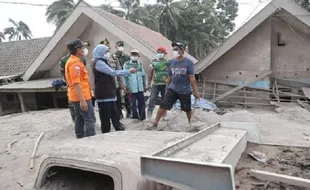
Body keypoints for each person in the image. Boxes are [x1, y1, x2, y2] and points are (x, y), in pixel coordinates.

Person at [147, 42, 200, 130]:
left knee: (187, 108)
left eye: (176, 49)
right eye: (174, 49)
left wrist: (195, 91)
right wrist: (167, 87)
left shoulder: (189, 63)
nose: (174, 51)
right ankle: (155, 122)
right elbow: (170, 76)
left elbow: (192, 78)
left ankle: (191, 124)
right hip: (173, 89)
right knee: (163, 105)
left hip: (185, 90)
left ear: (182, 51)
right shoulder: (172, 62)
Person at [92, 44, 137, 133]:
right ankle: (106, 134)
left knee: (114, 114)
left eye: (108, 51)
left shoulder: (104, 61)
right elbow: (113, 72)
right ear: (100, 52)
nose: (108, 54)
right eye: (106, 52)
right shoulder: (98, 63)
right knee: (105, 118)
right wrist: (128, 71)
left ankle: (118, 130)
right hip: (103, 94)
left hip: (110, 93)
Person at [65, 39, 96, 138]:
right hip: (81, 96)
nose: (84, 49)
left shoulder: (76, 61)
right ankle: (91, 140)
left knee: (80, 118)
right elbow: (76, 83)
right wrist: (83, 101)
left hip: (80, 95)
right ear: (78, 50)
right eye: (82, 47)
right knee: (90, 119)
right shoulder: (74, 64)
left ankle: (80, 137)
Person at [60, 52, 88, 123]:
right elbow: (63, 73)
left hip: (81, 83)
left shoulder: (82, 58)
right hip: (71, 83)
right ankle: (74, 119)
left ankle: (80, 120)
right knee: (73, 102)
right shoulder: (64, 60)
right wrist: (69, 82)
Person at [147, 46, 170, 121]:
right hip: (156, 84)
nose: (160, 54)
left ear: (164, 54)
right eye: (158, 52)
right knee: (152, 98)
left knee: (165, 100)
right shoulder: (153, 62)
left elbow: (171, 73)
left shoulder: (168, 62)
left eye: (161, 53)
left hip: (165, 84)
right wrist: (149, 83)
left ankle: (164, 114)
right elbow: (150, 73)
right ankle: (149, 114)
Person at [123, 49, 147, 121]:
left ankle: (142, 117)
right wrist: (126, 87)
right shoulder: (127, 64)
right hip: (132, 88)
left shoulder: (140, 65)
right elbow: (125, 77)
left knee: (142, 103)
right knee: (133, 103)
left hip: (140, 87)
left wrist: (144, 85)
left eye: (135, 55)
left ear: (138, 56)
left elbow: (143, 75)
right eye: (133, 55)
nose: (134, 56)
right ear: (130, 55)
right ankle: (135, 117)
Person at [115, 41, 131, 118]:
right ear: (116, 47)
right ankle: (119, 113)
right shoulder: (113, 57)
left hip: (125, 78)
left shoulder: (127, 57)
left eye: (122, 45)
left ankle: (129, 112)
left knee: (127, 95)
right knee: (118, 97)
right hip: (117, 78)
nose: (120, 47)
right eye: (119, 45)